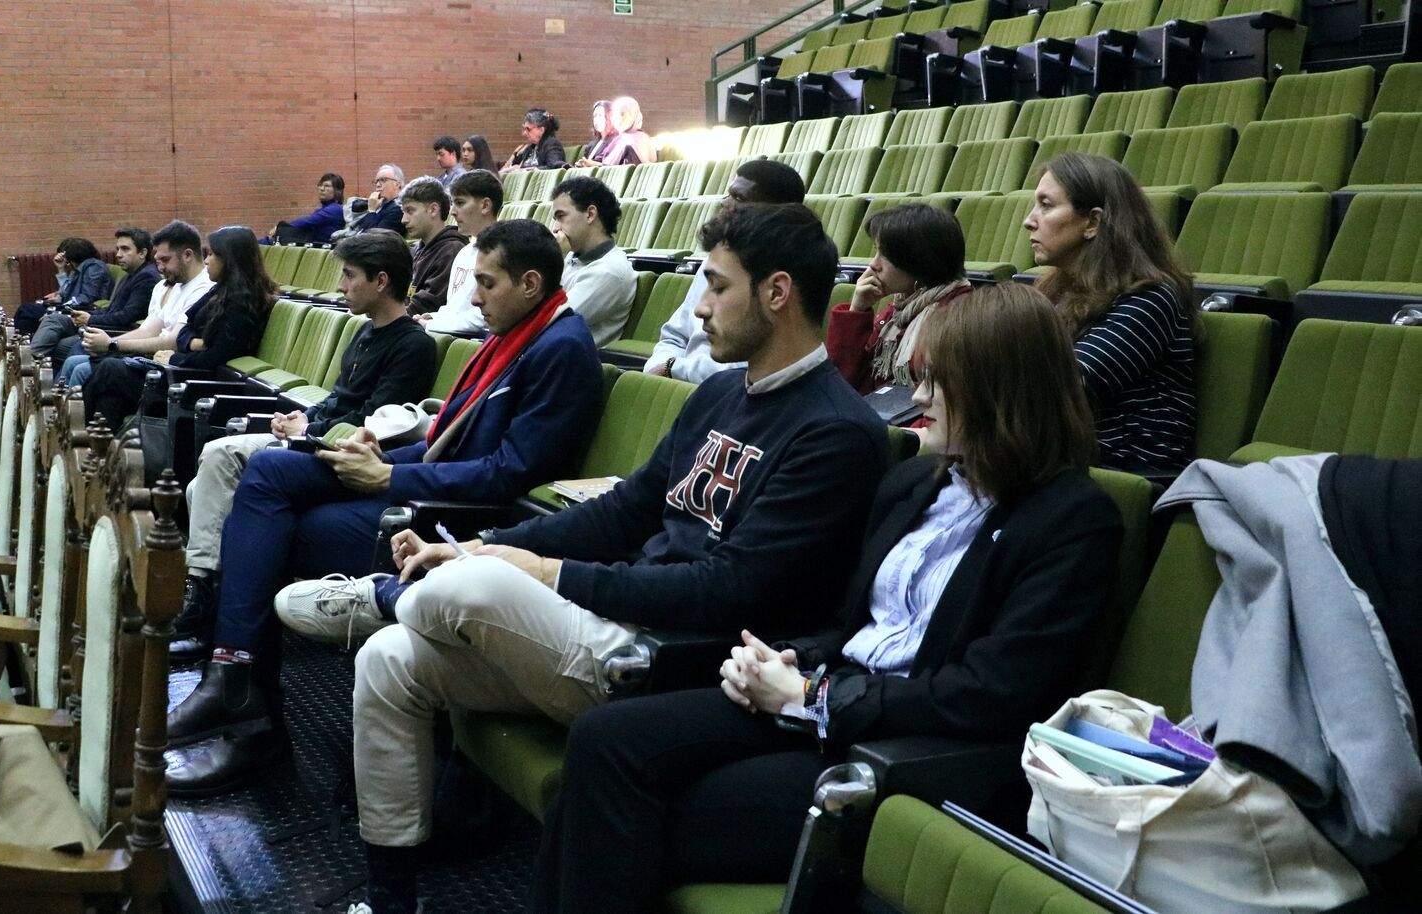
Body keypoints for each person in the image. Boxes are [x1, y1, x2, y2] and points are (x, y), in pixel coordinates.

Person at [315, 203, 890, 914]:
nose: (700, 308)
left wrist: (540, 575)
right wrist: (478, 546)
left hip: (672, 658)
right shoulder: (716, 391)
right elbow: (625, 510)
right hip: (608, 619)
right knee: (390, 661)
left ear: (777, 293)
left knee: (467, 591)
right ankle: (392, 895)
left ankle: (380, 596)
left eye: (716, 287)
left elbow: (734, 589)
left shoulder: (836, 431)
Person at [534, 283, 1124, 913]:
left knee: (620, 807)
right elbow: (850, 624)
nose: (918, 399)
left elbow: (989, 693)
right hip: (821, 701)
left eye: (938, 381)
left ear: (1000, 390)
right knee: (601, 742)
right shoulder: (915, 485)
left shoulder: (1073, 522)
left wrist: (816, 698)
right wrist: (783, 661)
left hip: (900, 748)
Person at [162, 219, 604, 797]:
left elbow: (511, 474)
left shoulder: (561, 350)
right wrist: (380, 450)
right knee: (267, 480)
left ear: (529, 283)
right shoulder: (517, 336)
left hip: (456, 523)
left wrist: (391, 474)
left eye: (487, 284)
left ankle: (245, 703)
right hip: (428, 489)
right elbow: (454, 442)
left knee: (268, 530)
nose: (473, 296)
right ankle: (237, 684)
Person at [170, 230, 438, 661]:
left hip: (342, 453)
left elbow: (374, 422)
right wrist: (304, 419)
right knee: (201, 488)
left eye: (350, 276)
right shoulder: (364, 332)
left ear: (382, 281)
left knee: (220, 457)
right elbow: (337, 399)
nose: (340, 286)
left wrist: (309, 432)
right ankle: (207, 595)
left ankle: (206, 605)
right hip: (314, 435)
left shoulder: (414, 345)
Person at [1023, 152, 1195, 476]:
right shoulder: (1054, 290)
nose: (1029, 220)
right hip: (1065, 464)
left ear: (1092, 222)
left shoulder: (1150, 298)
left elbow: (1062, 387)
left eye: (1046, 205)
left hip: (1126, 478)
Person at [81, 226, 273, 431]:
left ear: (231, 260)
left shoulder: (243, 304)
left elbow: (213, 359)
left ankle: (79, 435)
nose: (207, 260)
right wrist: (194, 342)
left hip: (195, 384)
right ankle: (98, 448)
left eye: (213, 254)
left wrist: (173, 358)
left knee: (110, 369)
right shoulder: (220, 290)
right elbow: (184, 331)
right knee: (111, 396)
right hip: (181, 373)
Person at [646, 159, 807, 383]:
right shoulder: (715, 261)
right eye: (728, 194)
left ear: (774, 211)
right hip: (678, 385)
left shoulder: (778, 279)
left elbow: (743, 368)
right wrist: (661, 367)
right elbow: (673, 336)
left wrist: (674, 368)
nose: (725, 203)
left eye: (738, 198)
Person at [826, 203, 970, 396]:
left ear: (918, 261)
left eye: (885, 255)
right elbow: (843, 381)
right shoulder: (900, 307)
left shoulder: (955, 317)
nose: (873, 264)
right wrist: (857, 310)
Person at [61, 220, 214, 391]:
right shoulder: (174, 283)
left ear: (187, 255)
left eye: (165, 260)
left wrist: (112, 345)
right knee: (81, 367)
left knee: (87, 369)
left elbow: (173, 342)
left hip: (171, 370)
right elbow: (147, 330)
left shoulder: (203, 288)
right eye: (158, 260)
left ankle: (70, 412)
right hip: (151, 358)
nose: (160, 268)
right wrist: (108, 342)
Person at [30, 227, 161, 369]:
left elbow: (126, 317)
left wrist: (90, 319)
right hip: (102, 325)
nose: (118, 254)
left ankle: (31, 369)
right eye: (117, 249)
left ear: (142, 253)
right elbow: (111, 310)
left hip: (115, 334)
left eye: (125, 249)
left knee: (57, 342)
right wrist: (79, 315)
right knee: (53, 319)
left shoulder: (146, 277)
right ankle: (31, 366)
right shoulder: (131, 274)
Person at [551, 176, 637, 345]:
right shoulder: (571, 256)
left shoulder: (610, 272)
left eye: (561, 217)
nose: (555, 228)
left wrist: (552, 257)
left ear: (590, 214)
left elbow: (548, 321)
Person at [420, 170, 500, 335]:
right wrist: (433, 318)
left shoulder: (502, 253)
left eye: (460, 203)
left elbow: (484, 318)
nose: (453, 211)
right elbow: (455, 309)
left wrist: (431, 325)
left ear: (485, 205)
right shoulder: (464, 252)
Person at [15, 237, 115, 336]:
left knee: (27, 311)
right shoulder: (77, 269)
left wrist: (61, 307)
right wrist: (61, 269)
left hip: (83, 310)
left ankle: (23, 343)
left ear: (69, 255)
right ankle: (23, 342)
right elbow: (65, 292)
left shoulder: (94, 267)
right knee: (26, 309)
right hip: (71, 306)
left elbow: (87, 297)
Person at [398, 178, 468, 318]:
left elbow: (427, 304)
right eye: (403, 212)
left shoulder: (452, 250)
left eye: (410, 211)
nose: (403, 219)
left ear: (433, 209)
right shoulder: (415, 250)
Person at [269, 173, 346, 244]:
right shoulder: (325, 208)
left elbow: (307, 222)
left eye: (327, 186)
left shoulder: (335, 209)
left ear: (338, 191)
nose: (321, 189)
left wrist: (281, 228)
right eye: (320, 185)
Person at [593, 96, 656, 167]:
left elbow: (628, 170)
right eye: (616, 114)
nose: (618, 118)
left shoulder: (638, 139)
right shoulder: (618, 139)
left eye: (622, 114)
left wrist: (594, 165)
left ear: (633, 115)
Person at [501, 109, 566, 172]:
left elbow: (555, 167)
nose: (524, 133)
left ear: (541, 130)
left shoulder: (552, 144)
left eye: (528, 129)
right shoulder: (530, 148)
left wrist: (523, 169)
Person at [355, 164, 407, 235]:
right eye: (376, 181)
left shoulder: (398, 208)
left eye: (383, 180)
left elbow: (371, 238)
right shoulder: (383, 204)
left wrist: (371, 210)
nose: (378, 185)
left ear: (397, 185)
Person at [574, 100, 613, 166]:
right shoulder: (591, 145)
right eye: (595, 116)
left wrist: (593, 164)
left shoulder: (615, 142)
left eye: (600, 115)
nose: (596, 119)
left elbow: (615, 168)